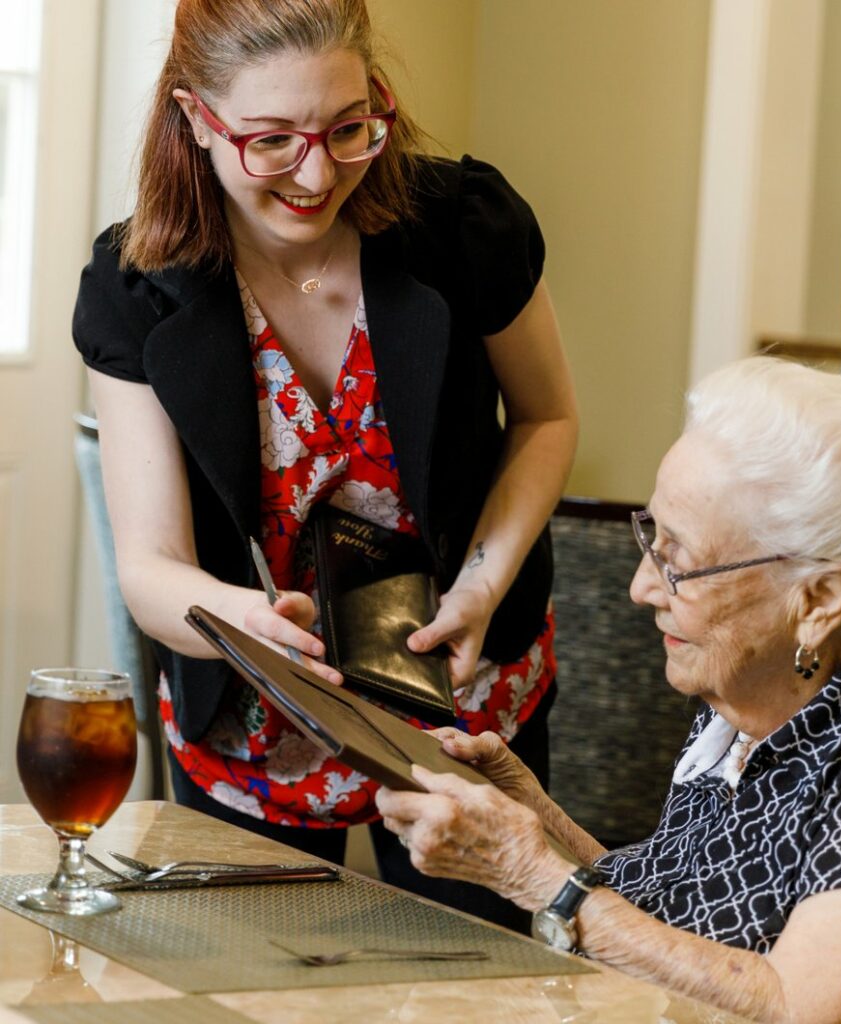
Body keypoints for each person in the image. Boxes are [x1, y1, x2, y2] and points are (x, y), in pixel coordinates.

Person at [71, 0, 577, 932]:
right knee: (240, 986)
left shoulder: (467, 226)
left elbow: (546, 419)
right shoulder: (133, 285)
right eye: (271, 141)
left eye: (349, 128)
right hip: (250, 711)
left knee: (467, 988)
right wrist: (246, 622)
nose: (317, 174)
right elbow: (150, 567)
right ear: (195, 118)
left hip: (459, 690)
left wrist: (482, 585)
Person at [376, 357, 841, 1023]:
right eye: (651, 535)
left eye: (677, 559)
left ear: (821, 599)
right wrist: (534, 818)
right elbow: (682, 918)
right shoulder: (756, 688)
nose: (641, 586)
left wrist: (533, 874)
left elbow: (803, 1008)